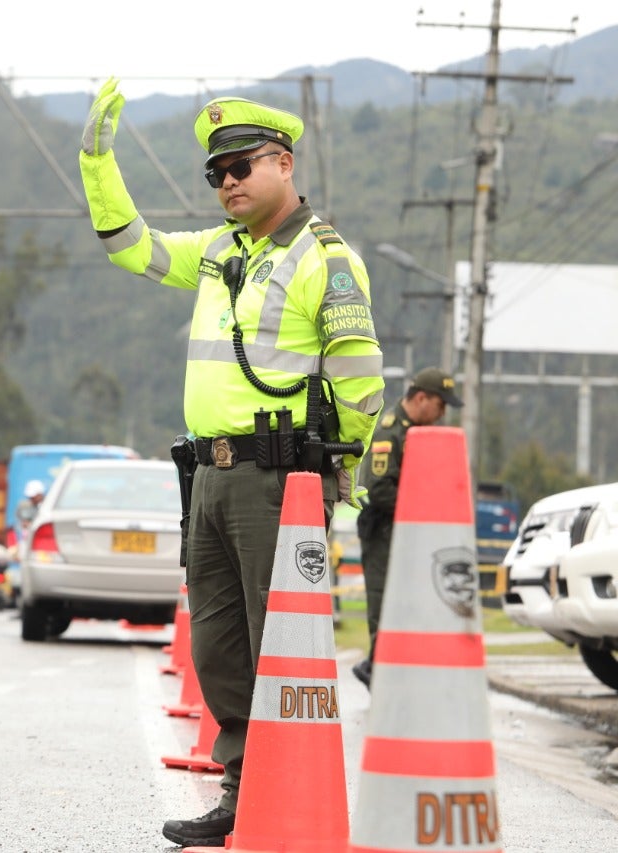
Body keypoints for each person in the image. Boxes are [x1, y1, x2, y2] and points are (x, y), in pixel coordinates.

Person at [79, 78, 385, 848]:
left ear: (283, 161)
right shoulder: (220, 253)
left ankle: (289, 794)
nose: (226, 184)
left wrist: (336, 476)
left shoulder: (327, 258)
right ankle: (241, 793)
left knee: (278, 642)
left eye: (241, 167)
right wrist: (96, 159)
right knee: (219, 646)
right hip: (212, 479)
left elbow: (359, 377)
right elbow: (130, 247)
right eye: (215, 174)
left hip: (279, 476)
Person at [353, 366, 463, 688]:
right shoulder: (391, 431)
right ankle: (378, 669)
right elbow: (380, 488)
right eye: (440, 405)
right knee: (384, 600)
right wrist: (421, 509)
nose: (442, 414)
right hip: (384, 530)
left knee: (407, 603)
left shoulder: (415, 432)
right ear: (421, 398)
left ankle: (388, 669)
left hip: (404, 531)